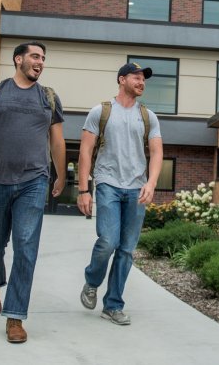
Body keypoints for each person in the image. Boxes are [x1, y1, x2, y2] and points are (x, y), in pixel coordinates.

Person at [0, 41, 66, 343]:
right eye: (35, 56)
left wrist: (60, 176)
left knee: (25, 246)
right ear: (18, 59)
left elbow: (57, 141)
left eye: (43, 58)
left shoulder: (49, 97)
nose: (40, 62)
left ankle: (15, 316)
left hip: (34, 181)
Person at [77, 62, 163, 325]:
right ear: (121, 79)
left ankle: (113, 305)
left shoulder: (148, 116)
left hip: (136, 188)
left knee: (126, 250)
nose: (141, 82)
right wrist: (83, 189)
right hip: (108, 183)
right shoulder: (100, 112)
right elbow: (85, 152)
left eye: (143, 79)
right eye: (136, 77)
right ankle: (92, 280)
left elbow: (157, 152)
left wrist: (151, 183)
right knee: (108, 241)